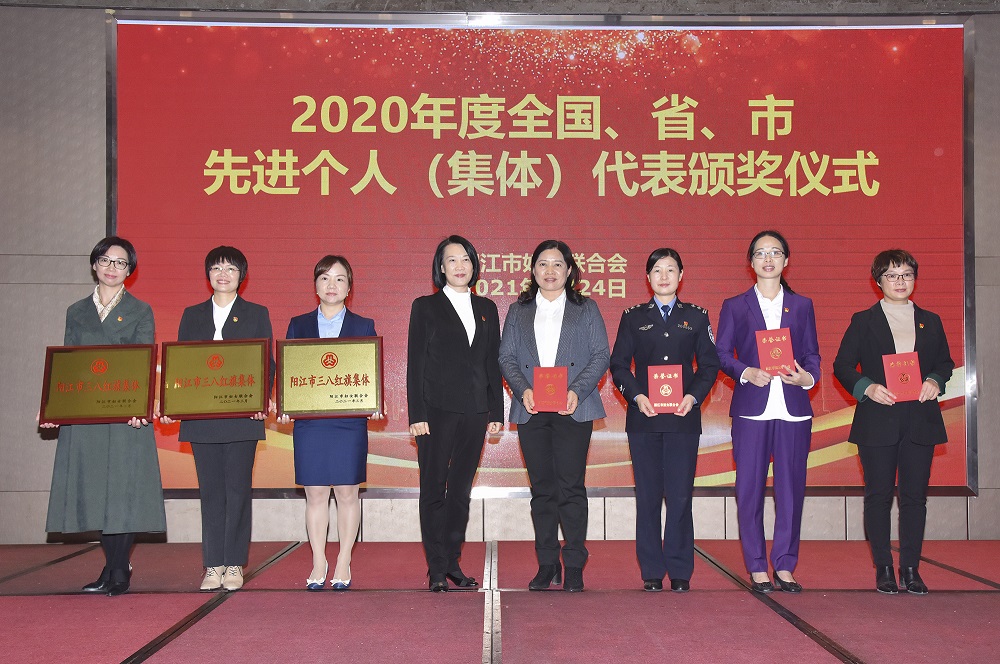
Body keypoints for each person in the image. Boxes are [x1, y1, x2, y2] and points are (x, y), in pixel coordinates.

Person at [42, 236, 166, 597]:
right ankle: (113, 565)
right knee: (96, 490)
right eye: (106, 261)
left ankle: (118, 568)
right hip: (88, 415)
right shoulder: (76, 311)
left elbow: (144, 361)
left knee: (123, 493)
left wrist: (140, 406)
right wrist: (52, 406)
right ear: (94, 264)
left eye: (121, 262)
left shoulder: (140, 310)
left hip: (126, 415)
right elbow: (68, 364)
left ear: (130, 270)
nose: (113, 268)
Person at [833, 250, 954, 595]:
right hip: (877, 419)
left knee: (915, 497)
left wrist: (934, 380)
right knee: (879, 495)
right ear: (878, 281)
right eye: (891, 275)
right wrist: (867, 387)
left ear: (914, 279)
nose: (900, 281)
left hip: (920, 418)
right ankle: (884, 567)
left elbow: (945, 363)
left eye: (906, 275)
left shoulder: (931, 321)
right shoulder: (863, 321)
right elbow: (842, 366)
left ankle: (911, 569)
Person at [499, 239, 610, 593]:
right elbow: (506, 357)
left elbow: (601, 355)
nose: (550, 271)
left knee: (571, 487)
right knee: (542, 490)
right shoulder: (518, 310)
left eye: (558, 264)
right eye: (543, 264)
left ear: (569, 270)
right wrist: (523, 390)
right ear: (533, 270)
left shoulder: (586, 308)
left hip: (573, 408)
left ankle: (574, 563)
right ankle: (547, 563)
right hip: (532, 409)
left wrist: (576, 390)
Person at [160, 246, 273, 592]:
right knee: (210, 493)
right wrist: (174, 402)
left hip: (242, 416)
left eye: (231, 268)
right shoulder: (192, 314)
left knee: (238, 491)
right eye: (216, 268)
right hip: (202, 420)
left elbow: (266, 362)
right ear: (208, 274)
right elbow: (182, 364)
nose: (223, 274)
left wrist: (261, 400)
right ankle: (213, 564)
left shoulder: (256, 313)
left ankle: (234, 562)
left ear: (242, 275)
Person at [609, 248, 720, 593]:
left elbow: (710, 365)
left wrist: (694, 396)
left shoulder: (697, 317)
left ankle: (680, 569)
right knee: (647, 496)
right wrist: (637, 396)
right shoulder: (633, 317)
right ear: (648, 277)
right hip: (644, 419)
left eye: (670, 270)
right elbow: (618, 365)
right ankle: (652, 571)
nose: (664, 276)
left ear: (681, 275)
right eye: (657, 270)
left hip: (683, 418)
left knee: (680, 495)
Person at [716, 230, 820, 594]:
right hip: (751, 410)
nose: (768, 259)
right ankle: (757, 566)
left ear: (786, 260)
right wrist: (746, 372)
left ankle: (785, 565)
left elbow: (812, 354)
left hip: (793, 410)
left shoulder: (802, 305)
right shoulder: (735, 305)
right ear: (751, 262)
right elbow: (721, 353)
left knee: (791, 491)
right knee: (749, 490)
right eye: (761, 253)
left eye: (775, 252)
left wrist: (807, 378)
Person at [407, 236, 503, 592]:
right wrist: (416, 414)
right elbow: (415, 363)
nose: (460, 266)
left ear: (474, 265)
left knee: (461, 491)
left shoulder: (487, 307)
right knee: (434, 488)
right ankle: (435, 567)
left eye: (465, 259)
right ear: (441, 267)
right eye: (452, 260)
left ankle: (452, 561)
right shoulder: (425, 307)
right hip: (435, 411)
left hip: (475, 411)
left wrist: (495, 409)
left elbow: (491, 361)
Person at [279, 255, 380, 591]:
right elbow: (288, 370)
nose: (331, 285)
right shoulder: (299, 324)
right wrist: (285, 404)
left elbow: (370, 372)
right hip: (311, 425)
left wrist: (374, 403)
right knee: (315, 494)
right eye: (324, 278)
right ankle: (319, 560)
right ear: (315, 286)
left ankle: (344, 559)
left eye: (339, 279)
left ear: (349, 288)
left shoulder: (363, 325)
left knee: (348, 493)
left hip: (348, 424)